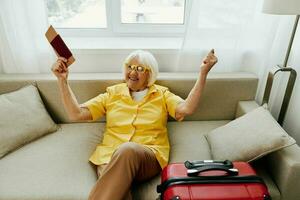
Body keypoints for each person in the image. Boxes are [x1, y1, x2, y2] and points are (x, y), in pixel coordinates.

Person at [51, 49, 218, 200]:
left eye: (139, 69)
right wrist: (62, 80)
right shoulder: (112, 93)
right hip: (109, 158)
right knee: (117, 192)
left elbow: (187, 108)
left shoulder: (162, 94)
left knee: (127, 149)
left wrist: (203, 73)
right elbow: (76, 114)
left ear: (150, 74)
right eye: (129, 66)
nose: (132, 72)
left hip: (147, 156)